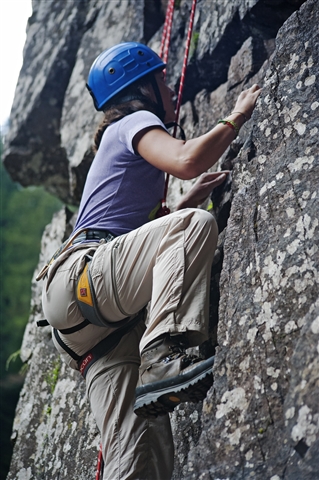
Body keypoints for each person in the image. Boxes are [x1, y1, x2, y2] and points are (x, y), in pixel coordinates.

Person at [40, 42, 261, 480]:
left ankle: (155, 366)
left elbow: (127, 239)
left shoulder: (115, 141)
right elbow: (186, 160)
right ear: (140, 87)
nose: (169, 85)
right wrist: (236, 115)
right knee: (194, 226)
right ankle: (162, 357)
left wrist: (178, 206)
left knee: (140, 457)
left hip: (90, 329)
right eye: (161, 78)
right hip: (88, 280)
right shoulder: (134, 121)